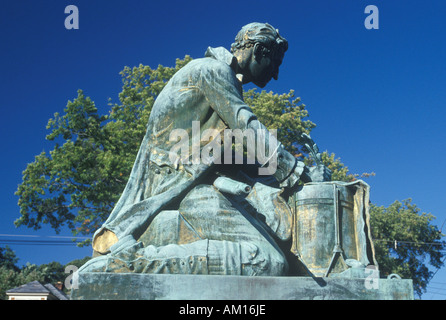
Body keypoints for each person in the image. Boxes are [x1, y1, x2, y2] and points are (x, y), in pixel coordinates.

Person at [78, 22, 331, 276]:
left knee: (274, 258)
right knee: (266, 262)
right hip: (181, 195)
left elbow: (226, 160)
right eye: (275, 62)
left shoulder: (217, 81)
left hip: (197, 189)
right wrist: (295, 170)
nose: (275, 73)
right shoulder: (212, 71)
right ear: (257, 50)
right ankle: (134, 261)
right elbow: (245, 124)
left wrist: (288, 173)